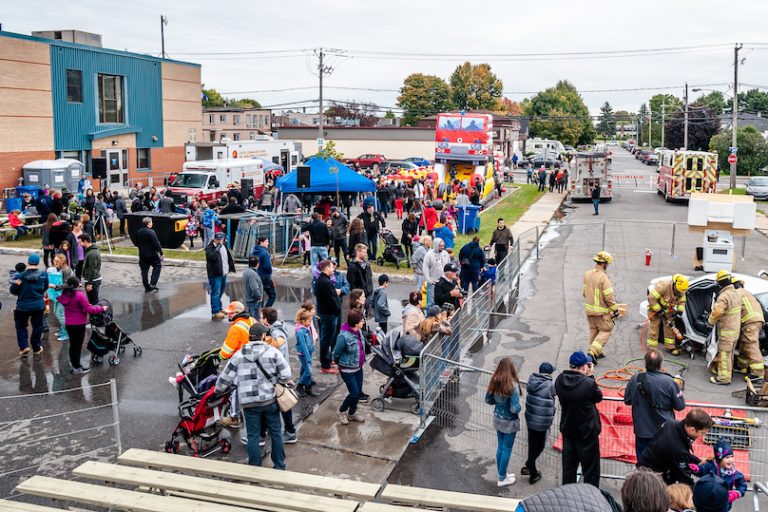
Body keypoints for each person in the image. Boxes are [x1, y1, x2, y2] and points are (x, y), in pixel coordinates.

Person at [215, 322, 291, 469]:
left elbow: (224, 379)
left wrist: (218, 390)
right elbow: (286, 374)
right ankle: (279, 465)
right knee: (276, 433)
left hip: (249, 404)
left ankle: (255, 467)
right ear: (263, 336)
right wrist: (277, 381)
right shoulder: (273, 352)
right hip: (269, 401)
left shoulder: (239, 355)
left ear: (250, 337)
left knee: (253, 436)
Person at [623, 349, 686, 460]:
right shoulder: (670, 382)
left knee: (643, 465)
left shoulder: (635, 379)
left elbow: (627, 400)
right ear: (661, 364)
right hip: (665, 432)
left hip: (642, 431)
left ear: (645, 362)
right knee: (663, 464)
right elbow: (680, 406)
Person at [555, 350, 603, 488]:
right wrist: (591, 376)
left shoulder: (560, 380)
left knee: (569, 468)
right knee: (591, 470)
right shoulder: (588, 383)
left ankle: (568, 495)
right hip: (586, 433)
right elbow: (598, 397)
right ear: (584, 367)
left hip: (568, 430)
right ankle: (590, 495)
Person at [637, 408, 713, 485]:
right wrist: (694, 493)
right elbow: (684, 476)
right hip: (651, 476)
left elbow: (685, 455)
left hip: (646, 465)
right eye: (702, 433)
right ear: (692, 429)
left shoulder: (672, 424)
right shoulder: (678, 449)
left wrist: (698, 462)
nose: (702, 435)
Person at [260, 306, 298, 445]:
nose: (259, 318)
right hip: (279, 375)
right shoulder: (276, 327)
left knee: (281, 403)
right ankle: (276, 431)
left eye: (261, 316)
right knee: (279, 404)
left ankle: (289, 432)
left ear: (266, 320)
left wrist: (266, 342)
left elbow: (280, 342)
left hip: (277, 377)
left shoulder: (275, 331)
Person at [57, 276, 108, 374]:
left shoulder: (65, 294)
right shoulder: (79, 295)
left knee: (72, 345)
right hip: (78, 324)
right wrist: (102, 308)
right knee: (77, 346)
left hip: (69, 324)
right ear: (76, 285)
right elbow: (89, 309)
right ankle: (77, 367)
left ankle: (74, 364)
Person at [484, 357, 522, 487]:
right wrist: (519, 406)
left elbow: (488, 400)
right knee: (506, 450)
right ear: (511, 369)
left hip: (497, 418)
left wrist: (499, 404)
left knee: (500, 447)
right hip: (509, 422)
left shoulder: (494, 381)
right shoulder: (512, 386)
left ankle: (502, 473)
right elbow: (514, 409)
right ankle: (502, 478)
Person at [521, 362, 556, 485]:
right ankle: (531, 468)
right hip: (542, 422)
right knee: (540, 446)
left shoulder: (532, 380)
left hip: (530, 419)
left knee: (532, 444)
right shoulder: (550, 385)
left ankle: (529, 466)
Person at [583, 251, 619, 364]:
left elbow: (584, 292)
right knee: (606, 330)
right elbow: (608, 296)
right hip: (601, 313)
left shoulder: (587, 274)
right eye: (607, 264)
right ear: (604, 264)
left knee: (594, 330)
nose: (607, 266)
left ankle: (596, 352)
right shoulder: (603, 277)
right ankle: (592, 353)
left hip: (589, 311)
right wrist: (615, 309)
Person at [334, 308, 368, 425]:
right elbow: (336, 353)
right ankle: (342, 411)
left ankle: (352, 413)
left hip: (358, 368)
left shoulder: (358, 331)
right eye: (362, 320)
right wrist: (339, 363)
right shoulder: (344, 336)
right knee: (354, 393)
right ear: (355, 322)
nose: (363, 321)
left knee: (358, 393)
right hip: (347, 370)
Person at [11, 254, 48, 357]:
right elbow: (45, 288)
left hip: (22, 306)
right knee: (37, 326)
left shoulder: (19, 276)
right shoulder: (44, 275)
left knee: (21, 326)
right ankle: (36, 347)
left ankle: (24, 347)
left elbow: (13, 291)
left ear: (28, 263)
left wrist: (17, 286)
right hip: (38, 305)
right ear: (38, 263)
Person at [690, 440, 746, 510]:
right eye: (727, 457)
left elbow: (742, 485)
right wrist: (697, 469)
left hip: (724, 505)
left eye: (732, 456)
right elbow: (702, 470)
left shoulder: (734, 473)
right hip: (707, 499)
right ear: (719, 459)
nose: (730, 460)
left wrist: (737, 493)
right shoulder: (711, 466)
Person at [708, 270, 741, 385]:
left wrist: (710, 322)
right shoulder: (735, 293)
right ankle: (728, 372)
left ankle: (723, 378)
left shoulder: (724, 296)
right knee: (729, 353)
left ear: (720, 283)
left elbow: (717, 312)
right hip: (735, 331)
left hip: (727, 331)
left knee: (724, 354)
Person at [732, 278, 766, 382]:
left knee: (751, 344)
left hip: (750, 320)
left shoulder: (736, 293)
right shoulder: (747, 292)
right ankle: (741, 366)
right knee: (744, 343)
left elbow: (733, 311)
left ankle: (758, 374)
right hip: (756, 319)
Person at [646, 274, 688, 355]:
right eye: (678, 291)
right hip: (655, 308)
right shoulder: (663, 286)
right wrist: (658, 310)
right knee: (654, 327)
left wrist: (679, 312)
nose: (680, 293)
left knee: (670, 327)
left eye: (681, 292)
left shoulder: (681, 290)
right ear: (674, 285)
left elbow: (682, 302)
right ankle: (652, 348)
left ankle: (670, 347)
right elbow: (651, 298)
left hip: (668, 309)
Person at [315, 259, 342, 374]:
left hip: (327, 314)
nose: (333, 269)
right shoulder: (325, 282)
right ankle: (325, 365)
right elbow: (332, 301)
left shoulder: (322, 280)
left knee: (328, 339)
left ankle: (327, 359)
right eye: (331, 267)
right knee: (326, 340)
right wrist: (337, 310)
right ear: (326, 268)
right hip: (329, 315)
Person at [205, 232, 235, 320]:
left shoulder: (224, 246)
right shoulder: (209, 248)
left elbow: (227, 258)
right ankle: (215, 311)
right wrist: (218, 246)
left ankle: (219, 308)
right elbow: (213, 257)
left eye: (220, 239)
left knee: (221, 292)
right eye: (217, 239)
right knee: (215, 293)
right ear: (214, 239)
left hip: (223, 273)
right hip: (215, 275)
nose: (219, 241)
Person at [48, 253, 73, 342]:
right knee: (55, 312)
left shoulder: (66, 270)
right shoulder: (59, 269)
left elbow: (67, 284)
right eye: (54, 260)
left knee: (60, 314)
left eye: (56, 260)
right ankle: (63, 330)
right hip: (58, 295)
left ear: (62, 261)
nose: (54, 262)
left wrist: (54, 286)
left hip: (65, 295)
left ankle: (67, 333)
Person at [136, 217, 163, 293]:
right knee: (157, 266)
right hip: (152, 254)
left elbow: (137, 242)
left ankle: (146, 286)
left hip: (142, 254)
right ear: (148, 224)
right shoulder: (151, 232)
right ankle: (153, 284)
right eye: (151, 222)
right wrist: (161, 253)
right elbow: (156, 243)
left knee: (144, 270)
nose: (152, 223)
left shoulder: (139, 231)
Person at [423, 237, 450, 307]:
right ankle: (429, 316)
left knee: (442, 301)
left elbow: (449, 266)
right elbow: (425, 268)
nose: (442, 247)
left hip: (443, 283)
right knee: (431, 302)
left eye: (443, 246)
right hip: (433, 282)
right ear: (436, 245)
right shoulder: (429, 255)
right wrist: (429, 280)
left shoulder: (445, 254)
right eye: (440, 246)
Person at [250, 237, 276, 308]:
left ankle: (259, 312)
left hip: (255, 276)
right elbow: (267, 267)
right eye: (266, 241)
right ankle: (265, 311)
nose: (268, 243)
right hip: (265, 277)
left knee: (260, 296)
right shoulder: (265, 253)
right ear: (261, 242)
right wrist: (270, 274)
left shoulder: (252, 252)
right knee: (272, 295)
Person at [347, 244, 373, 311]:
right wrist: (358, 296)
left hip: (368, 296)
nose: (366, 254)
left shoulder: (367, 265)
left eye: (366, 252)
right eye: (364, 252)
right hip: (359, 298)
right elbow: (351, 283)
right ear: (358, 252)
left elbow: (369, 278)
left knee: (365, 317)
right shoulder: (352, 266)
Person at [78, 234, 101, 304]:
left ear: (85, 241)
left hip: (92, 281)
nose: (79, 244)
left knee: (93, 302)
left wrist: (89, 283)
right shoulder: (91, 251)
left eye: (80, 242)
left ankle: (96, 314)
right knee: (93, 301)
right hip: (92, 280)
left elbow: (92, 269)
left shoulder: (92, 253)